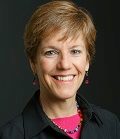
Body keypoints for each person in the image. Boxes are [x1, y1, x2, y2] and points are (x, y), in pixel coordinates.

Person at [0, 0, 120, 139]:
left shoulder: (110, 125)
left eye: (75, 51)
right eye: (51, 52)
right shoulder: (10, 135)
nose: (64, 65)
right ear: (33, 63)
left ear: (87, 61)